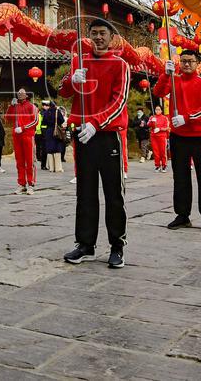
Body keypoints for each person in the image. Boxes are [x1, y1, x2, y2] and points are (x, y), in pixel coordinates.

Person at [60, 19, 129, 268]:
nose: (98, 37)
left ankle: (117, 246)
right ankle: (85, 244)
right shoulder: (79, 62)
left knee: (113, 194)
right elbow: (63, 91)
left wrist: (96, 123)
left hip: (107, 135)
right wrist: (72, 81)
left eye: (103, 33)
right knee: (85, 193)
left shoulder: (120, 65)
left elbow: (119, 101)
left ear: (112, 37)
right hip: (83, 135)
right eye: (94, 33)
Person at [154, 49, 201, 232]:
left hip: (199, 136)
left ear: (198, 64)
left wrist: (187, 117)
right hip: (178, 136)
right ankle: (182, 215)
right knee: (180, 178)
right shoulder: (174, 80)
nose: (186, 64)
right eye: (183, 61)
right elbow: (158, 92)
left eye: (190, 61)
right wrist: (166, 74)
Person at [5, 89, 38, 194]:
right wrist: (11, 106)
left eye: (22, 93)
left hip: (28, 135)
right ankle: (21, 183)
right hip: (17, 136)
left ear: (26, 95)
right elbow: (8, 118)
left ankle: (30, 184)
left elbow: (35, 121)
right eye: (18, 93)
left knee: (30, 161)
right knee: (19, 161)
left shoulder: (32, 106)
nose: (20, 94)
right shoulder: (15, 107)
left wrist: (23, 128)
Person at [42, 100, 66, 172]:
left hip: (48, 131)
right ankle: (58, 168)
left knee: (50, 149)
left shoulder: (46, 112)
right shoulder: (57, 111)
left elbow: (44, 122)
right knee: (57, 149)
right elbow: (62, 120)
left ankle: (51, 168)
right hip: (56, 131)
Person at [147, 106, 170, 172]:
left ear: (161, 110)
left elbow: (167, 127)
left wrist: (160, 129)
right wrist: (152, 121)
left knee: (162, 151)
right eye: (156, 109)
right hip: (153, 136)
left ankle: (164, 165)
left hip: (162, 136)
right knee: (156, 151)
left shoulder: (165, 118)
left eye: (158, 109)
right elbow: (148, 124)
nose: (157, 111)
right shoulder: (152, 117)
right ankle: (157, 165)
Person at [35, 102, 47, 170]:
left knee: (41, 146)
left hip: (41, 132)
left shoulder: (40, 114)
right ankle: (38, 157)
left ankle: (39, 157)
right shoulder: (35, 115)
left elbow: (42, 123)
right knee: (37, 146)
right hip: (37, 133)